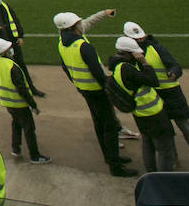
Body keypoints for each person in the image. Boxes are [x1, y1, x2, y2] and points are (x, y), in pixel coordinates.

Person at [53, 9, 138, 177]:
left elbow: (65, 68)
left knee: (99, 123)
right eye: (78, 23)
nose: (80, 25)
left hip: (84, 90)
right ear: (72, 27)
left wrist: (77, 82)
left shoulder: (62, 43)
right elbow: (98, 72)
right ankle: (115, 166)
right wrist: (108, 88)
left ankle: (109, 157)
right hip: (98, 91)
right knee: (110, 126)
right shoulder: (83, 46)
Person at [122, 20, 189, 170]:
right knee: (167, 131)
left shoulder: (156, 48)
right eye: (136, 39)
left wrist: (174, 73)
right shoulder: (131, 56)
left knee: (185, 127)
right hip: (155, 98)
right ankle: (174, 157)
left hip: (172, 94)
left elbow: (175, 65)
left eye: (140, 38)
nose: (140, 41)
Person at [109, 36, 176, 173]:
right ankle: (164, 178)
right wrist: (144, 62)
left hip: (141, 113)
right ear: (128, 53)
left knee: (148, 144)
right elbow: (153, 80)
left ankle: (151, 173)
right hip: (152, 113)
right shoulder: (127, 69)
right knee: (165, 149)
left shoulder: (118, 67)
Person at [0, 38, 49, 164]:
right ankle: (35, 156)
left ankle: (15, 148)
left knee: (16, 123)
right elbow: (22, 89)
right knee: (29, 128)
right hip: (18, 103)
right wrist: (33, 105)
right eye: (8, 48)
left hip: (7, 102)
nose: (11, 50)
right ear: (4, 51)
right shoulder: (12, 67)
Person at [0, 0, 45, 97]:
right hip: (1, 45)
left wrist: (20, 36)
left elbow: (15, 20)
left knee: (21, 65)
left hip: (13, 41)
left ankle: (32, 89)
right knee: (8, 68)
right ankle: (15, 89)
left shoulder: (5, 6)